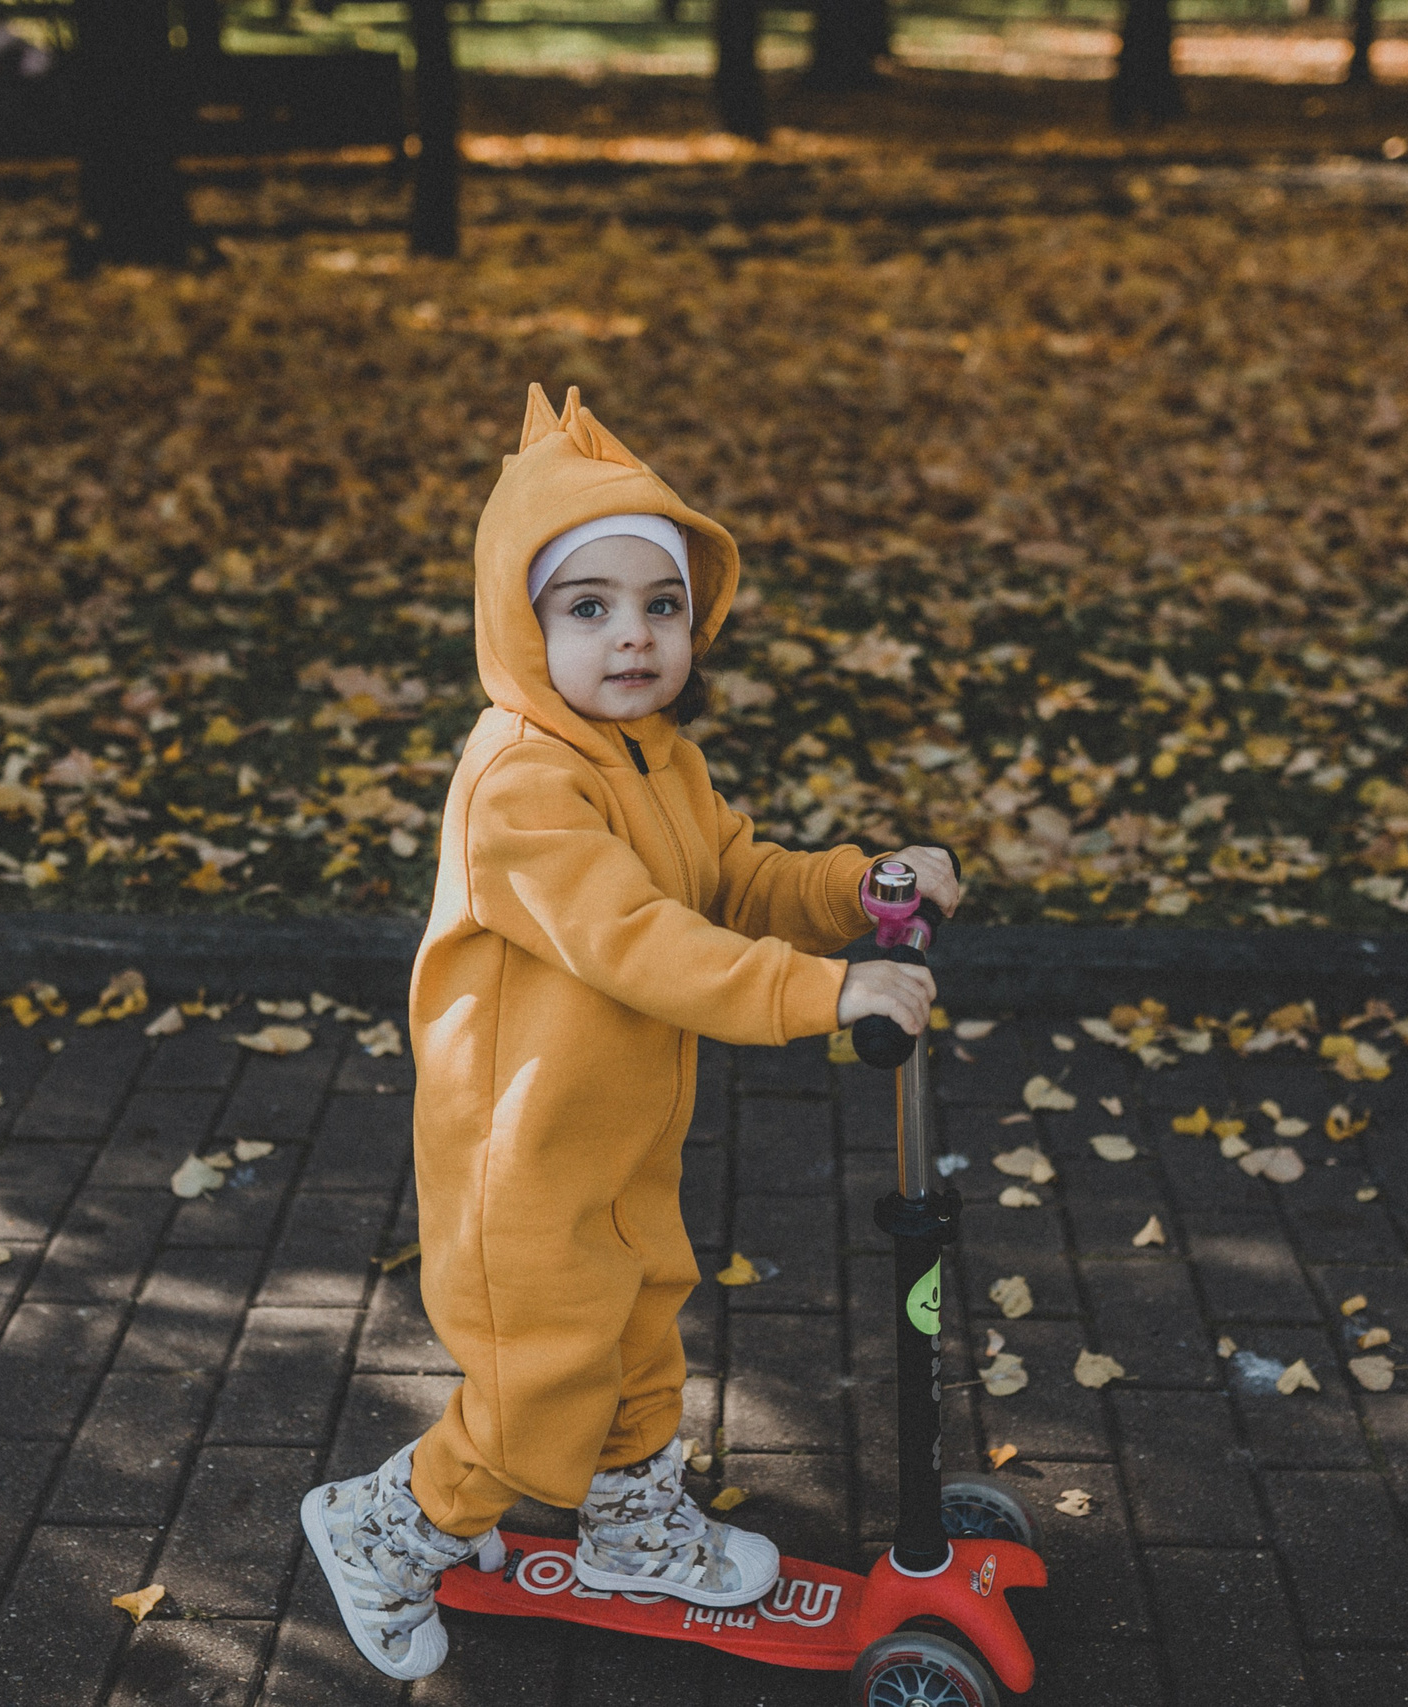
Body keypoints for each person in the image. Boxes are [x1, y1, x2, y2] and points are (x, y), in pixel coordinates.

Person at [299, 384, 959, 1681]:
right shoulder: (520, 785)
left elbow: (731, 877)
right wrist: (822, 994)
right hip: (523, 1159)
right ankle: (386, 1528)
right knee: (537, 1389)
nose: (636, 637)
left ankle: (633, 1527)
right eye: (588, 607)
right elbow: (635, 940)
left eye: (661, 605)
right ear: (520, 622)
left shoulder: (656, 756)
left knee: (646, 1319)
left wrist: (854, 891)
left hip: (618, 1139)